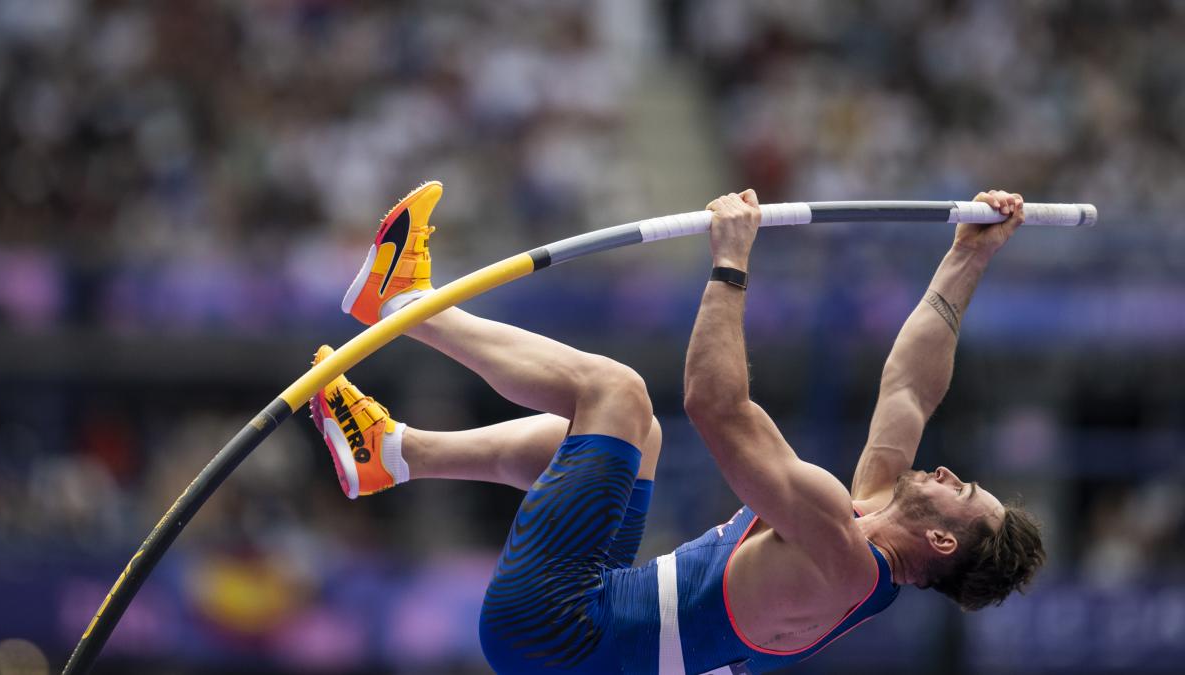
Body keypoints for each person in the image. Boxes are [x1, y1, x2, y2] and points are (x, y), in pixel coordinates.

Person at [309, 181, 1045, 674]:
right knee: (634, 445)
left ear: (942, 540)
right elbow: (911, 387)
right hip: (590, 613)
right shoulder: (869, 524)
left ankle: (401, 301)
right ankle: (394, 453)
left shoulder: (842, 553)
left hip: (559, 630)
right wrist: (967, 255)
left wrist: (730, 259)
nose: (948, 472)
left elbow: (716, 407)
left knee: (616, 394)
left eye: (964, 489)